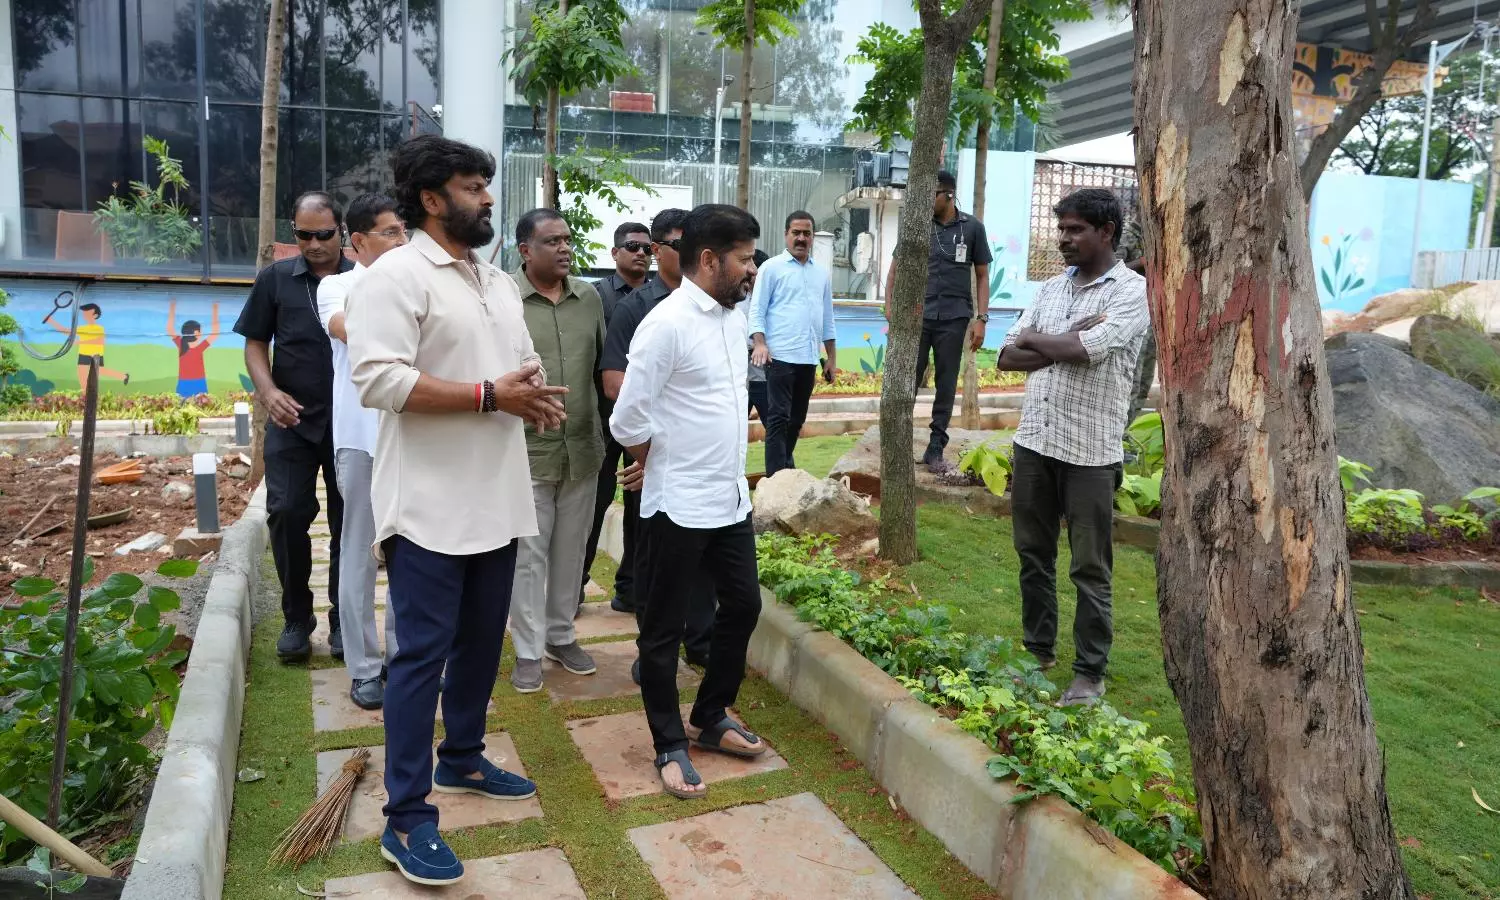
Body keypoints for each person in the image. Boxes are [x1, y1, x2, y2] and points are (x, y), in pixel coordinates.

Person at [347, 135, 564, 887]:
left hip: (497, 498)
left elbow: (512, 368)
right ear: (431, 198)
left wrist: (530, 393)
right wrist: (489, 395)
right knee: (419, 660)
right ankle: (406, 817)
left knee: (479, 646)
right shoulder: (395, 276)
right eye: (473, 186)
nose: (487, 197)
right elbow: (377, 380)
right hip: (429, 508)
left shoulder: (494, 280)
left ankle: (463, 757)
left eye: (485, 184)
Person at [611, 204, 768, 800]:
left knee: (744, 606)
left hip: (728, 499)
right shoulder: (666, 324)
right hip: (675, 504)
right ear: (709, 259)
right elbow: (627, 418)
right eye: (744, 259)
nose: (752, 268)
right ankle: (669, 743)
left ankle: (710, 715)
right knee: (663, 629)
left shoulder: (733, 315)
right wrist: (659, 459)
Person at [996, 188, 1148, 707]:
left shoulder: (1131, 292)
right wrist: (1062, 338)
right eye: (1061, 228)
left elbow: (1088, 351)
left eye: (1075, 229)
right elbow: (1006, 357)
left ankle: (1089, 673)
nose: (1063, 238)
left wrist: (1043, 340)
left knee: (1089, 569)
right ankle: (1037, 652)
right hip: (1034, 444)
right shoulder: (1050, 289)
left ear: (1106, 232)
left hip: (1090, 454)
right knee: (1033, 555)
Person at [234, 191, 351, 663]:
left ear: (342, 231)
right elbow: (254, 344)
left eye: (323, 234)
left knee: (351, 521)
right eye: (304, 235)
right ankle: (297, 617)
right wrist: (268, 393)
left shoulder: (364, 280)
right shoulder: (276, 278)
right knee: (284, 511)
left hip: (350, 422)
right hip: (292, 419)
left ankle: (345, 619)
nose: (314, 244)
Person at [598, 209, 713, 677]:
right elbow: (614, 384)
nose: (689, 253)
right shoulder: (636, 307)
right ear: (661, 250)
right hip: (650, 458)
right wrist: (649, 452)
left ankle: (700, 643)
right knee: (650, 557)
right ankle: (652, 654)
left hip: (700, 463)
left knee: (702, 556)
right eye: (677, 244)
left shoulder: (712, 305)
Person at [316, 193, 408, 710]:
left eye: (403, 231)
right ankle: (364, 667)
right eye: (391, 232)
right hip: (361, 442)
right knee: (358, 554)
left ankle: (402, 656)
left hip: (411, 440)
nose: (401, 241)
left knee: (409, 553)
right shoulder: (338, 286)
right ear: (358, 241)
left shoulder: (415, 285)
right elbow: (347, 330)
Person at [509, 208, 606, 693]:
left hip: (582, 447)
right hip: (525, 450)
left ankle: (561, 635)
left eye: (567, 239)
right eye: (552, 241)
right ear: (525, 250)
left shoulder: (589, 298)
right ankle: (527, 651)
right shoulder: (504, 299)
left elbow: (601, 370)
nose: (565, 248)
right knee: (528, 556)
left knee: (571, 550)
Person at [885, 170, 991, 469]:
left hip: (954, 318)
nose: (926, 201)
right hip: (917, 318)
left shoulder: (973, 228)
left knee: (946, 383)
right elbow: (894, 272)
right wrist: (890, 309)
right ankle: (899, 444)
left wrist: (981, 319)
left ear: (948, 194)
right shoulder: (916, 226)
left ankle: (935, 447)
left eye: (932, 195)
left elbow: (982, 276)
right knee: (907, 382)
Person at [580, 221, 652, 613]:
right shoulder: (595, 296)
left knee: (640, 504)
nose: (641, 253)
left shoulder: (661, 297)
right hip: (602, 415)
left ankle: (632, 589)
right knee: (594, 501)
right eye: (632, 246)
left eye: (647, 248)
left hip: (645, 420)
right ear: (614, 253)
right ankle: (574, 586)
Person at [749, 211, 835, 476]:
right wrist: (760, 343)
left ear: (812, 237)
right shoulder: (771, 268)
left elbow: (827, 319)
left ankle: (783, 469)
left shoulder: (821, 274)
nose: (801, 238)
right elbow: (756, 310)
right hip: (779, 357)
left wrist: (831, 359)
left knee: (797, 420)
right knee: (778, 418)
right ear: (786, 234)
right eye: (796, 233)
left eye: (806, 233)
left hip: (808, 358)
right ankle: (776, 478)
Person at [54, 303, 130, 389]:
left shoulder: (99, 328)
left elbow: (100, 341)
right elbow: (66, 331)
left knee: (101, 371)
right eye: (84, 313)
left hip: (96, 354)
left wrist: (80, 342)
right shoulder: (82, 328)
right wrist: (51, 321)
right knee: (82, 375)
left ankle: (123, 376)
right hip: (83, 354)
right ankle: (84, 394)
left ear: (95, 315)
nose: (85, 315)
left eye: (88, 313)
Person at [166, 300, 220, 398]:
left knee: (200, 403)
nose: (201, 333)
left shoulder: (199, 347)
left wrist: (215, 310)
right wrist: (172, 308)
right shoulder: (182, 345)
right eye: (200, 331)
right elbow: (170, 329)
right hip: (185, 382)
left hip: (198, 382)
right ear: (195, 333)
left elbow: (215, 333)